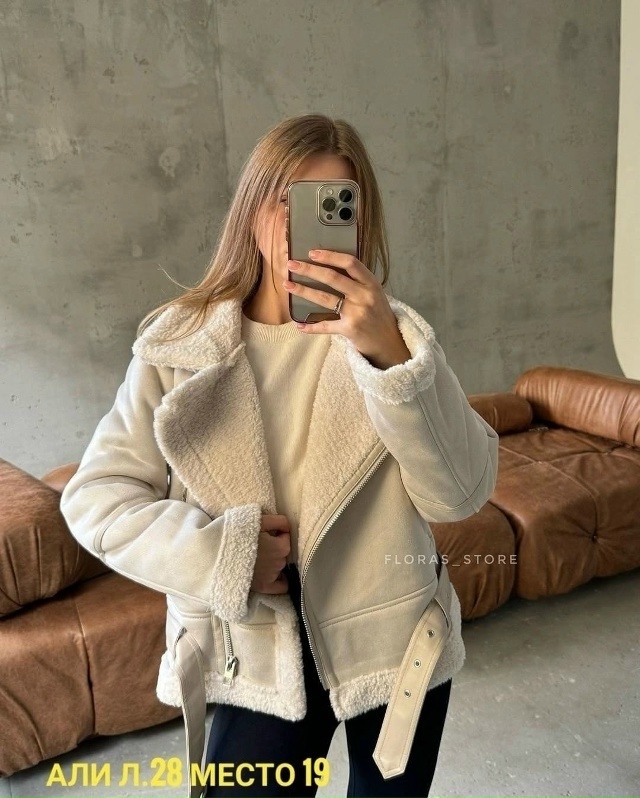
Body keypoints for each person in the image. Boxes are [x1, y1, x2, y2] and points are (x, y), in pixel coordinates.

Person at [60, 114, 499, 798]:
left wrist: (391, 361)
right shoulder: (177, 346)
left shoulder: (397, 341)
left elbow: (461, 494)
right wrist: (223, 556)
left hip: (396, 642)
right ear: (253, 210)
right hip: (253, 652)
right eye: (288, 199)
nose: (303, 224)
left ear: (358, 222)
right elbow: (96, 499)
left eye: (333, 204)